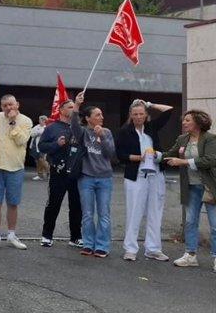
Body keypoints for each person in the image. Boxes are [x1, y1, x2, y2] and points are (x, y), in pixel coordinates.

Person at [115, 99, 174, 262]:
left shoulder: (152, 126)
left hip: (155, 173)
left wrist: (149, 104)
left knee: (155, 211)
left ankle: (153, 249)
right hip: (136, 175)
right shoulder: (125, 131)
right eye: (135, 114)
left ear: (146, 114)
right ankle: (130, 248)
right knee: (134, 211)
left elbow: (169, 110)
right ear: (131, 115)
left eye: (142, 113)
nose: (139, 117)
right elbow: (119, 155)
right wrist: (137, 158)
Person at [163, 110, 216, 271]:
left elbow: (210, 160)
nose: (184, 123)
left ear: (198, 123)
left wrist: (184, 162)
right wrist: (153, 155)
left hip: (209, 187)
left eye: (187, 120)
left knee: (215, 225)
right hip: (190, 187)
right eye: (183, 120)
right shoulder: (182, 139)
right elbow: (169, 154)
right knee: (190, 222)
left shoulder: (210, 139)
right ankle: (190, 255)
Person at [71, 92, 115, 258]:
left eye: (102, 115)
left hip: (105, 178)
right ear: (88, 119)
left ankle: (102, 245)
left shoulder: (107, 132)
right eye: (97, 115)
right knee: (88, 214)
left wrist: (102, 136)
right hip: (86, 178)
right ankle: (89, 244)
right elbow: (74, 125)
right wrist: (76, 105)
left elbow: (110, 153)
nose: (101, 117)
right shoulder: (82, 133)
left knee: (104, 213)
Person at [0, 94, 32, 250]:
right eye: (5, 105)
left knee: (13, 203)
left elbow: (21, 141)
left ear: (17, 104)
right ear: (1, 107)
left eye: (11, 104)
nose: (8, 108)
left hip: (15, 166)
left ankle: (11, 235)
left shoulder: (26, 121)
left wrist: (13, 123)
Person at [38, 99, 83, 248]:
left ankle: (75, 236)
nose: (73, 109)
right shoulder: (52, 128)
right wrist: (57, 144)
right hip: (58, 172)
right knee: (53, 204)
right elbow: (42, 146)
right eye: (70, 107)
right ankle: (47, 235)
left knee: (76, 206)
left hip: (76, 173)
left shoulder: (78, 128)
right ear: (61, 110)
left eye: (74, 107)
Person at [29, 115, 50, 181]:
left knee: (42, 160)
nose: (40, 121)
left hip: (42, 146)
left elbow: (47, 137)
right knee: (37, 161)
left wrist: (39, 133)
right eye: (40, 120)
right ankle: (39, 175)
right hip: (34, 146)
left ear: (45, 121)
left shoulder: (47, 127)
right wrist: (38, 133)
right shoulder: (36, 127)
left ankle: (49, 173)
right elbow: (31, 134)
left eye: (42, 120)